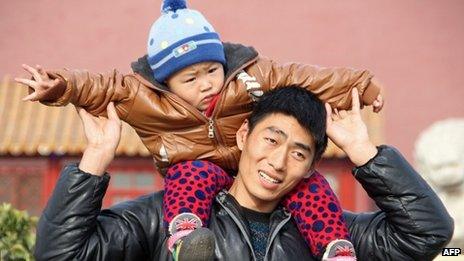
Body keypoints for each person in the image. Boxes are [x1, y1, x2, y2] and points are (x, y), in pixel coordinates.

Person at [15, 0, 384, 259]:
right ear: (165, 84)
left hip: (247, 172)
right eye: (190, 78)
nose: (207, 85)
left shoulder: (249, 79)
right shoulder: (143, 101)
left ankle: (335, 249)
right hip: (195, 166)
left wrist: (362, 87)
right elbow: (100, 87)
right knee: (189, 176)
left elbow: (304, 77)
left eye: (212, 71)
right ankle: (186, 237)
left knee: (314, 187)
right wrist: (60, 89)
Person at [35, 87, 452, 261]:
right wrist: (95, 158)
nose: (278, 161)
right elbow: (60, 256)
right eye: (272, 139)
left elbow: (428, 234)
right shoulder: (167, 218)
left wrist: (362, 151)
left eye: (298, 152)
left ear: (310, 167)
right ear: (245, 135)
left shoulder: (329, 236)